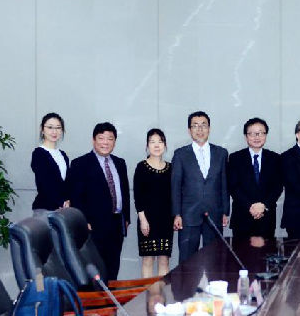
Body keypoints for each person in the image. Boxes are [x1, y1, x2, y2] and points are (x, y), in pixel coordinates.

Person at [67, 122, 129, 280]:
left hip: (116, 225)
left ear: (114, 141)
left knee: (113, 268)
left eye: (110, 139)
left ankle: (110, 296)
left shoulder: (120, 163)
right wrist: (83, 221)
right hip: (93, 226)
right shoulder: (80, 164)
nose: (105, 142)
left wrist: (126, 218)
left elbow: (125, 192)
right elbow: (76, 197)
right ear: (93, 140)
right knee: (95, 271)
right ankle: (96, 297)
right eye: (101, 138)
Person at [171, 111, 229, 263]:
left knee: (215, 260)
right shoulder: (180, 154)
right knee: (187, 260)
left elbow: (224, 184)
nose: (200, 129)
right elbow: (176, 186)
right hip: (188, 215)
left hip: (214, 212)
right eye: (195, 126)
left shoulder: (221, 153)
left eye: (203, 125)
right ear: (189, 130)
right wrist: (177, 214)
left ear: (209, 128)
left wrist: (225, 211)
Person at [227, 117, 283, 240]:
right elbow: (233, 187)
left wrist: (263, 206)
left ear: (266, 135)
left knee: (266, 252)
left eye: (260, 133)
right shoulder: (235, 158)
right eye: (252, 133)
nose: (256, 137)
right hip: (242, 217)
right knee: (241, 252)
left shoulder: (275, 158)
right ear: (246, 136)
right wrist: (250, 207)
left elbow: (278, 187)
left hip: (266, 217)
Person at [133, 128, 173, 278]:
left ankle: (162, 292)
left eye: (160, 142)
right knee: (148, 260)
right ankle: (147, 292)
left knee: (164, 260)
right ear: (147, 146)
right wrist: (142, 220)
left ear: (165, 145)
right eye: (152, 142)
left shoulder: (171, 168)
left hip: (166, 220)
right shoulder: (141, 167)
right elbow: (138, 196)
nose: (156, 145)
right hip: (147, 220)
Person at [31, 112, 70, 213]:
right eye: (50, 127)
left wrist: (68, 201)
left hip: (62, 209)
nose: (54, 131)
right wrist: (60, 202)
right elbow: (45, 183)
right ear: (42, 129)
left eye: (58, 128)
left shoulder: (63, 155)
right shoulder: (39, 153)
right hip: (45, 209)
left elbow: (67, 183)